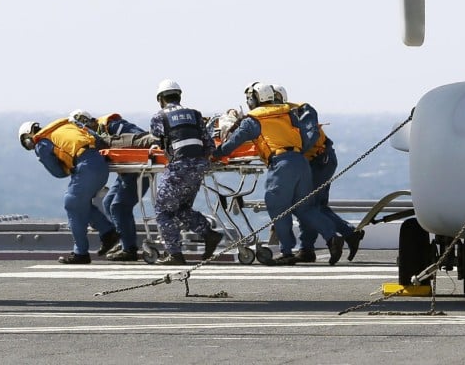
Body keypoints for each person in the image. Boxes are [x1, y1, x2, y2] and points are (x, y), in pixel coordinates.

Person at [212, 82, 343, 266]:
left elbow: (233, 143)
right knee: (303, 207)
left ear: (253, 99)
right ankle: (332, 237)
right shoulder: (288, 113)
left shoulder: (253, 120)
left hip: (282, 165)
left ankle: (287, 252)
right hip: (301, 161)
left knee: (277, 207)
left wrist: (214, 154)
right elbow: (303, 138)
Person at [271, 85, 363, 265]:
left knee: (307, 206)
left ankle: (310, 247)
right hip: (310, 162)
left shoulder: (298, 111)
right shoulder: (274, 118)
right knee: (315, 207)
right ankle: (345, 236)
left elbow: (310, 136)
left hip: (319, 161)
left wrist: (290, 155)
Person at [18, 118, 119, 264]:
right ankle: (107, 232)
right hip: (100, 165)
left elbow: (58, 173)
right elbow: (97, 140)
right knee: (80, 204)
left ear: (28, 137)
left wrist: (66, 165)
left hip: (86, 167)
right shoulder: (66, 126)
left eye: (28, 144)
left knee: (71, 203)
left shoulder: (42, 143)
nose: (31, 146)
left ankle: (81, 253)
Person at [149, 79, 223, 265]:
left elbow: (158, 138)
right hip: (198, 168)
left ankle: (175, 254)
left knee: (163, 210)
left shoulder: (159, 117)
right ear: (179, 95)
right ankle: (209, 234)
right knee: (181, 208)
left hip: (178, 168)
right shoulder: (195, 115)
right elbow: (209, 144)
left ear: (160, 99)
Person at [71, 110, 153, 262]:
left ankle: (129, 249)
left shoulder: (114, 125)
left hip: (138, 170)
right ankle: (124, 242)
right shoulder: (94, 137)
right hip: (127, 171)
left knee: (119, 207)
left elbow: (142, 137)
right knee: (108, 202)